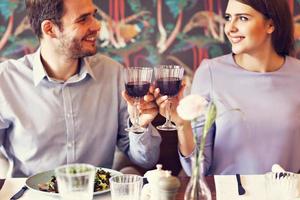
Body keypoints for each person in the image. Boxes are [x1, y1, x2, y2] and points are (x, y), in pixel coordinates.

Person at [0, 0, 161, 177]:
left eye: (94, 15)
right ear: (50, 29)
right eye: (83, 19)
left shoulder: (114, 75)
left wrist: (141, 125)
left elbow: (146, 160)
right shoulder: (6, 80)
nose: (97, 25)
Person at [155, 0, 300, 175]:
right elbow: (197, 169)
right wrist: (183, 124)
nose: (229, 28)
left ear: (270, 24)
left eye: (243, 18)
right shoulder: (210, 72)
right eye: (228, 18)